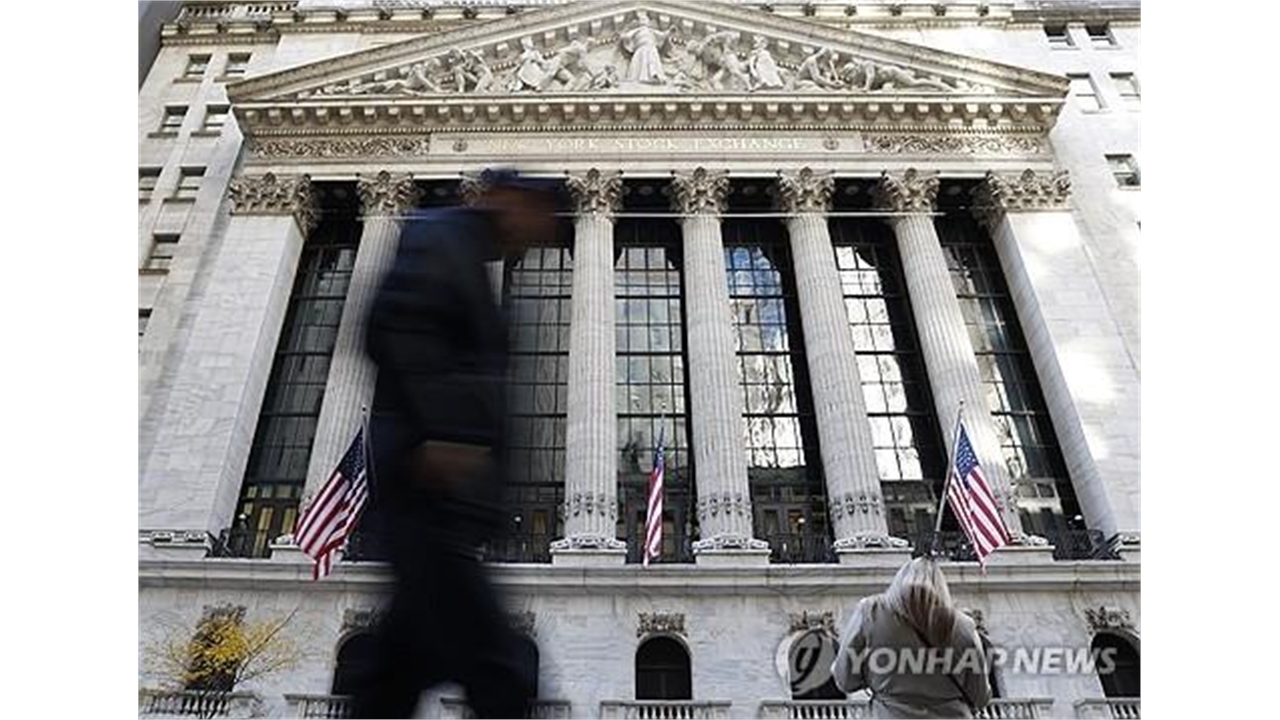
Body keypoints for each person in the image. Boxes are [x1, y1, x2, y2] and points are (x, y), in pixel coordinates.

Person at [350, 170, 559, 719]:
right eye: (536, 211)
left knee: (394, 674)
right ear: (504, 198)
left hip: (442, 497)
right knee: (497, 666)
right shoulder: (442, 236)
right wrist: (442, 432)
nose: (540, 229)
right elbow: (394, 325)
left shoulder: (466, 254)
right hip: (428, 484)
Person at [831, 557, 992, 718]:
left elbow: (845, 680)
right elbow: (980, 697)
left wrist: (875, 678)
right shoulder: (964, 625)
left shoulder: (871, 611)